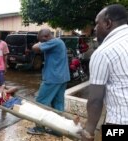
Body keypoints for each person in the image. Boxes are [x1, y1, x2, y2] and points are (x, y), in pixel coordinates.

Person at [81, 4, 128, 141]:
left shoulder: (104, 52)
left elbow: (95, 100)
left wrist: (88, 132)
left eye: (97, 24)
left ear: (108, 23)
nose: (95, 29)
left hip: (120, 124)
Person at [27, 29, 70, 135]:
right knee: (58, 105)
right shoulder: (58, 42)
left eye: (41, 40)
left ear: (46, 37)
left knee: (40, 103)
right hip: (62, 77)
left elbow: (35, 48)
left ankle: (40, 128)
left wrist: (39, 43)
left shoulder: (54, 41)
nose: (41, 42)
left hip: (52, 78)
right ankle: (58, 130)